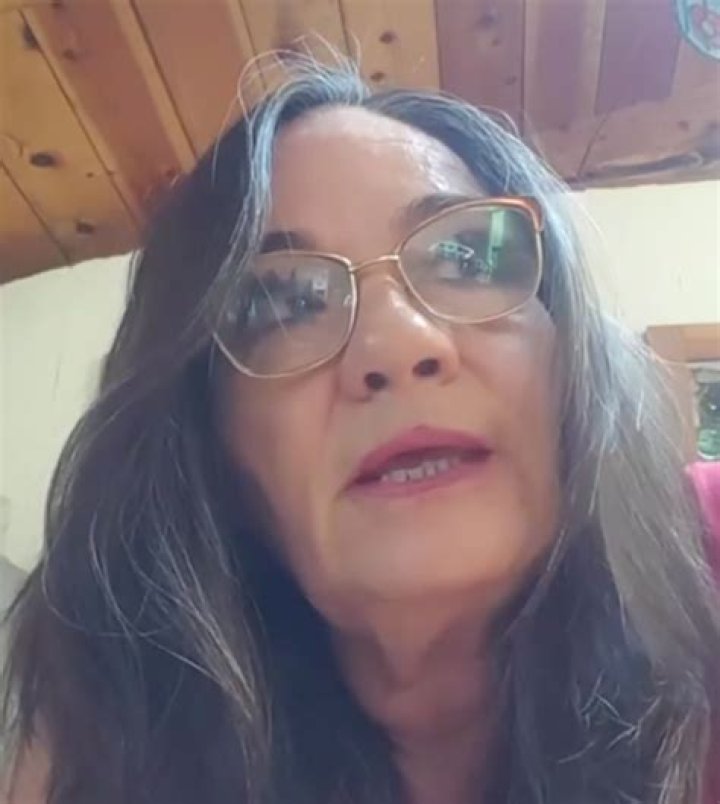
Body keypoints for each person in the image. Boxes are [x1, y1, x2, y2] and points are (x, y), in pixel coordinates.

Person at [2, 57, 719, 804]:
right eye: (284, 303)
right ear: (211, 457)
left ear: (563, 352)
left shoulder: (705, 547)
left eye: (466, 258)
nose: (397, 344)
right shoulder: (113, 736)